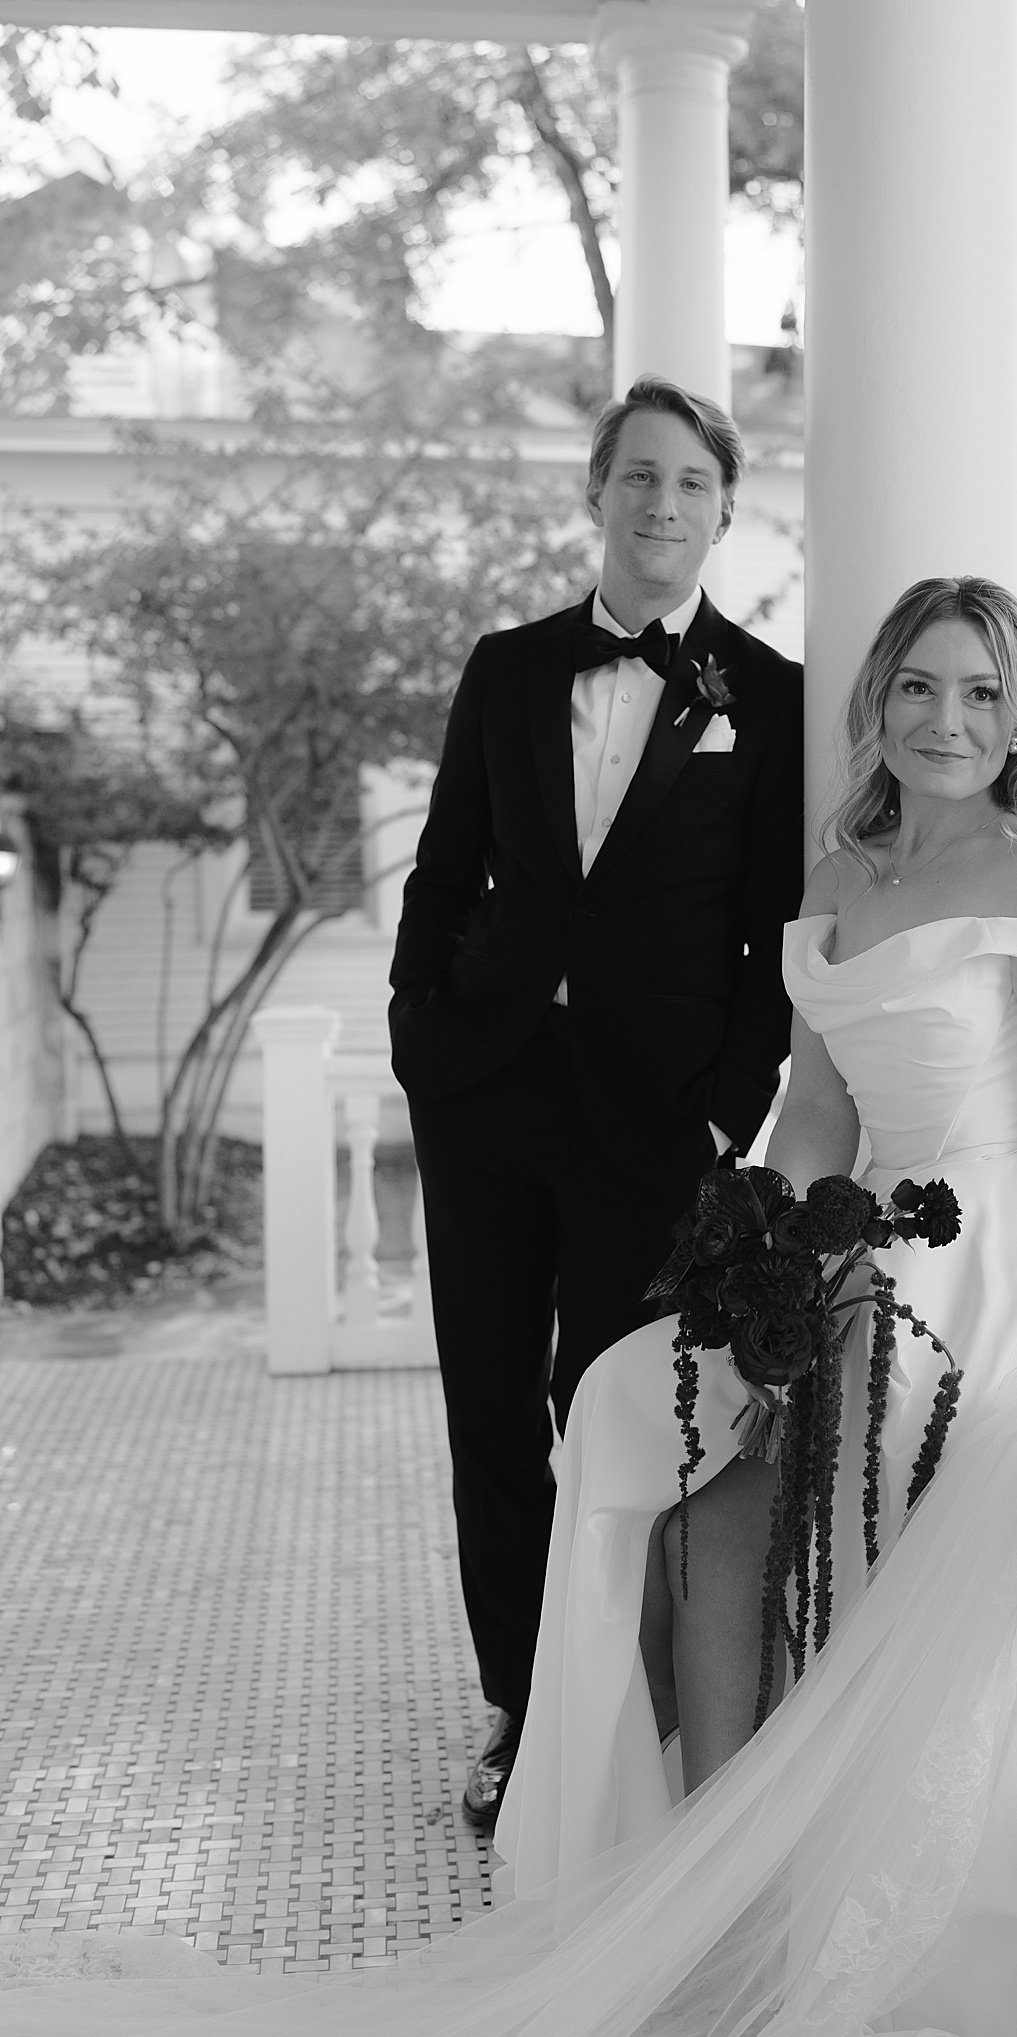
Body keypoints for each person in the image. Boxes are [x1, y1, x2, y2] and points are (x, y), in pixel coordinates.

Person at [0, 580, 1017, 2037]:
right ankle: (711, 1894)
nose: (946, 720)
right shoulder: (850, 872)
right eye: (916, 688)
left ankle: (785, 1914)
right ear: (876, 703)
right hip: (849, 1253)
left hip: (991, 1269)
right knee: (642, 1441)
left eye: (979, 692)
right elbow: (816, 1109)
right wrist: (750, 1272)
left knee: (801, 1515)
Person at [387, 374, 804, 1826]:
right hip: (486, 1090)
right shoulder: (507, 668)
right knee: (489, 1408)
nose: (663, 505)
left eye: (692, 482)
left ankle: (612, 1717)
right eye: (639, 477)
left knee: (605, 1407)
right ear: (596, 493)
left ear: (725, 509)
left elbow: (771, 940)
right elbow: (446, 867)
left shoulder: (774, 698)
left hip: (651, 1120)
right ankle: (523, 1713)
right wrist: (419, 1026)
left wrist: (722, 1111)